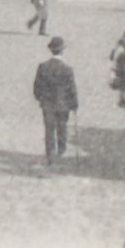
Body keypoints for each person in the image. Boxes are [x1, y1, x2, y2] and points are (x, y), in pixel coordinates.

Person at [31, 35, 79, 164]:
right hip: (63, 104)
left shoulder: (43, 67)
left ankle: (50, 154)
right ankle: (61, 152)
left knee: (49, 129)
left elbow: (37, 87)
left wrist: (41, 99)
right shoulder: (67, 69)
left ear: (51, 50)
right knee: (62, 127)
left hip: (47, 104)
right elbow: (72, 89)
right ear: (62, 50)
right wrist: (74, 104)